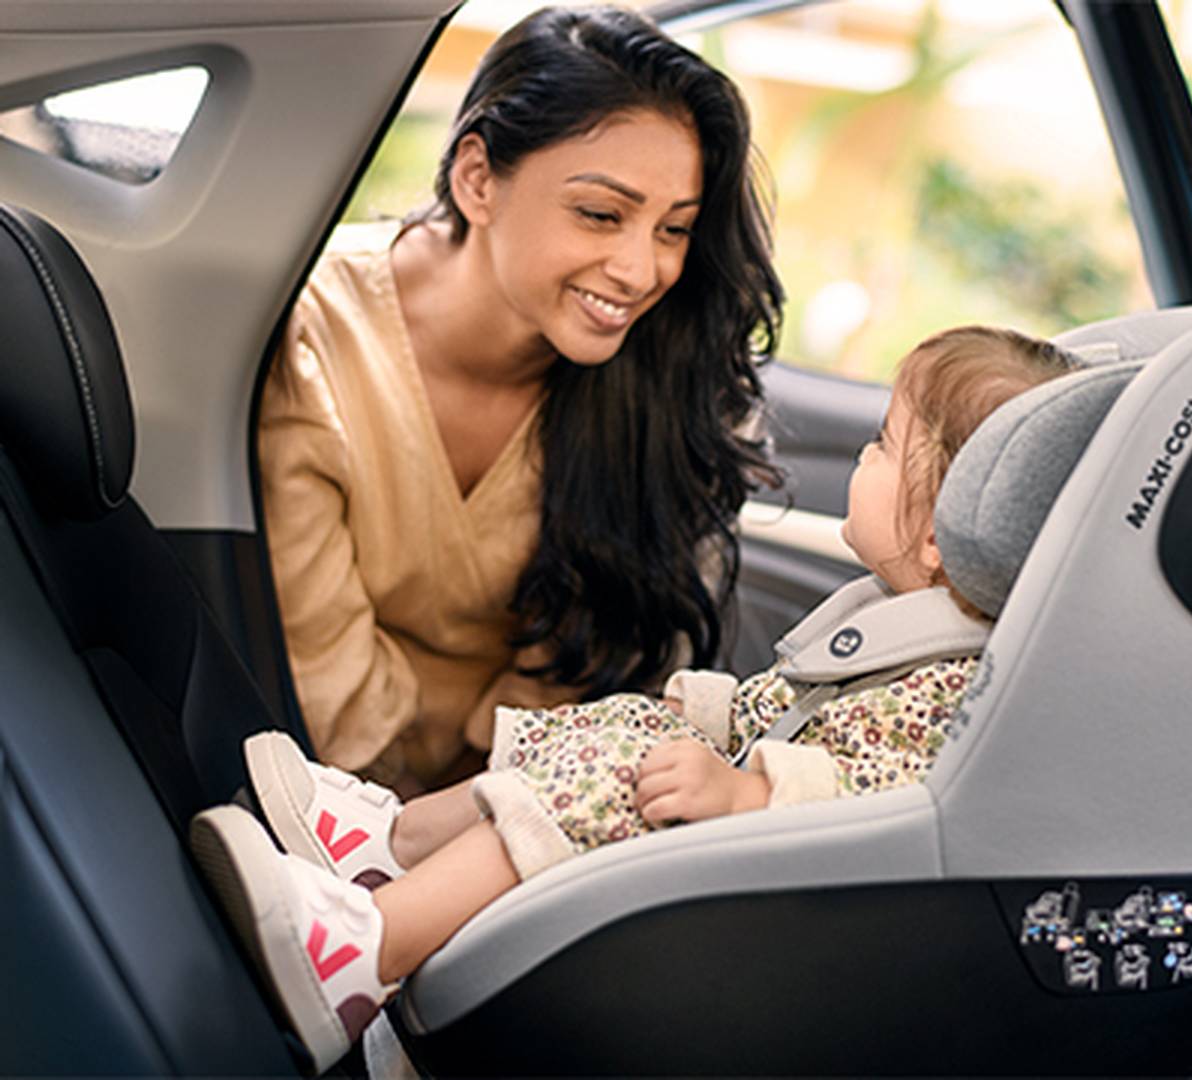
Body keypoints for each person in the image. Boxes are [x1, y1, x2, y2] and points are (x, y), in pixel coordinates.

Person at [194, 325, 1075, 1070]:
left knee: (624, 776)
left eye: (884, 444)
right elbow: (803, 709)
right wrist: (711, 719)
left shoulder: (964, 682)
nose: (863, 453)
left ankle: (360, 951)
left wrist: (746, 790)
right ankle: (386, 843)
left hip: (781, 884)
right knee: (627, 723)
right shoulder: (906, 615)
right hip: (762, 835)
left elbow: (891, 794)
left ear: (942, 535)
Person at [257, 5, 783, 795]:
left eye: (673, 230)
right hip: (326, 797)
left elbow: (602, 685)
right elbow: (330, 697)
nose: (641, 272)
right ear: (477, 179)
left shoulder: (666, 383)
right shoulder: (308, 343)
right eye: (600, 215)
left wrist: (506, 807)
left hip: (538, 816)